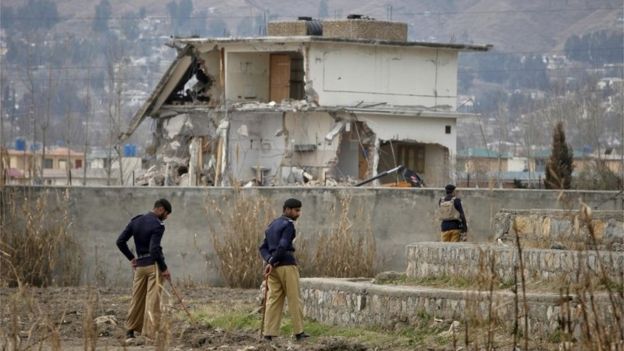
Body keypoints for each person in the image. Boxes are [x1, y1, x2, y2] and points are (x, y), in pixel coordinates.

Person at [116, 199, 172, 341]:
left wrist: (131, 258)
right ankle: (150, 334)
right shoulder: (158, 226)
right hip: (153, 266)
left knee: (137, 299)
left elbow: (120, 241)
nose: (166, 217)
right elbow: (154, 249)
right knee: (153, 300)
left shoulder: (136, 221)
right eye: (166, 214)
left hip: (140, 266)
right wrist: (164, 268)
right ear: (160, 209)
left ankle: (130, 331)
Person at [259, 198, 309, 341]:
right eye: (296, 210)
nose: (298, 213)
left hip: (273, 269)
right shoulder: (288, 225)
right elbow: (283, 245)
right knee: (294, 298)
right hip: (286, 264)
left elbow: (262, 247)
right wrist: (274, 260)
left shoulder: (271, 225)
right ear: (287, 209)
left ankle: (268, 332)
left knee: (273, 299)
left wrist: (270, 261)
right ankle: (299, 333)